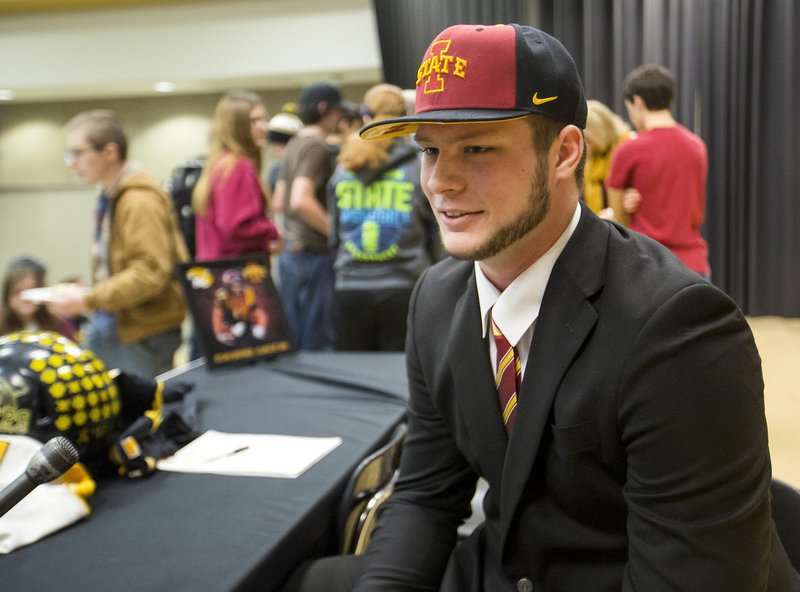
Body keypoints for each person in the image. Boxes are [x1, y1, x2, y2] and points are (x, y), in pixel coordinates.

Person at [282, 23, 798, 592]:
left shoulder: (676, 329)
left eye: (476, 148)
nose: (440, 182)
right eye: (429, 149)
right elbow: (427, 494)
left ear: (564, 152)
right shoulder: (434, 300)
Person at [51, 109, 188, 378]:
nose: (71, 162)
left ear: (110, 152)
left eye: (78, 153)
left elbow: (149, 271)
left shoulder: (138, 200)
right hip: (119, 323)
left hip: (142, 333)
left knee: (141, 416)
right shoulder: (112, 195)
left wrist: (90, 298)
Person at [327, 83, 440, 351]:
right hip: (405, 288)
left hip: (350, 288)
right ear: (406, 120)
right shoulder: (418, 166)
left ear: (364, 116)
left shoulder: (343, 169)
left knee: (353, 381)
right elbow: (435, 232)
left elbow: (333, 236)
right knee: (400, 380)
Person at [606, 64, 711, 277]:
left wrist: (625, 207)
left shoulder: (629, 150)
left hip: (648, 266)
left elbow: (617, 220)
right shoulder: (697, 146)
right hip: (694, 268)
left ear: (637, 102)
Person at [277, 81, 344, 350]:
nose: (340, 117)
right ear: (324, 108)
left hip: (291, 254)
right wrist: (337, 236)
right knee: (318, 342)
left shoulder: (293, 144)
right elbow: (300, 199)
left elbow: (279, 201)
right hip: (314, 256)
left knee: (296, 338)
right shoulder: (317, 147)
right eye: (338, 110)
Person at [193, 90, 281, 261]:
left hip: (217, 272)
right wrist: (273, 231)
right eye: (255, 121)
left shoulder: (219, 164)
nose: (264, 127)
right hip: (238, 275)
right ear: (237, 126)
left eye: (264, 119)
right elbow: (236, 227)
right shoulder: (237, 167)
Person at [0, 256, 75, 339]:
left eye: (30, 290)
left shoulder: (59, 323)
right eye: (17, 292)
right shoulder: (2, 325)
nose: (24, 298)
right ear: (7, 295)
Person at [582, 99, 633, 218]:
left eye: (589, 140)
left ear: (600, 133)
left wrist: (612, 212)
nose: (587, 145)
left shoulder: (628, 150)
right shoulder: (590, 159)